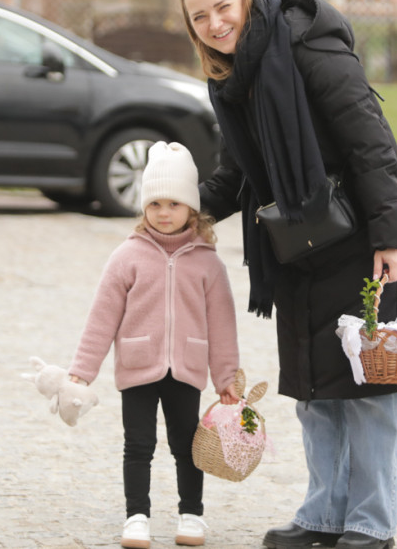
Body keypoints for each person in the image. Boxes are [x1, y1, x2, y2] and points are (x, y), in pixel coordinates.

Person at [179, 0, 397, 549]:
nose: (216, 22)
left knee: (367, 388)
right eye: (200, 16)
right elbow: (238, 170)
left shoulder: (306, 44)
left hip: (359, 241)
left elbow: (371, 141)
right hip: (296, 243)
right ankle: (324, 515)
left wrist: (392, 239)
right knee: (316, 389)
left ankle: (371, 524)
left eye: (224, 6)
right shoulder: (232, 76)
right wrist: (182, 216)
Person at [68, 141, 241, 549]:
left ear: (191, 209)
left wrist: (227, 378)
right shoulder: (126, 257)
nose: (164, 213)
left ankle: (192, 516)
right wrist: (82, 370)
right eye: (155, 204)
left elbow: (222, 325)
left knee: (187, 446)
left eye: (174, 204)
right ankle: (136, 517)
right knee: (138, 445)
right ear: (144, 207)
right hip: (137, 366)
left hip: (186, 367)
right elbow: (101, 319)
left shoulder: (208, 263)